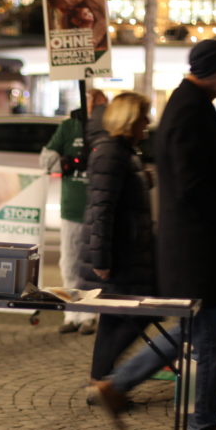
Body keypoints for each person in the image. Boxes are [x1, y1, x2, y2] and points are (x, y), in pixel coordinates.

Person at [94, 40, 216, 430]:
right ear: (211, 69)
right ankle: (202, 428)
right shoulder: (189, 111)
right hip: (200, 253)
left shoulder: (189, 107)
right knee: (213, 342)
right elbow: (191, 188)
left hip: (197, 251)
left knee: (192, 332)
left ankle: (117, 385)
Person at [75, 93, 157, 405]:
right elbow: (101, 209)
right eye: (144, 117)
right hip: (120, 254)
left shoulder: (122, 150)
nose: (148, 123)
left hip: (126, 249)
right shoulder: (112, 152)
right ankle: (106, 384)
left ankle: (99, 383)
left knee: (112, 318)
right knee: (145, 311)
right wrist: (101, 259)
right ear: (129, 120)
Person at [39, 89, 108, 335]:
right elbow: (46, 160)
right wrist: (70, 161)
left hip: (99, 209)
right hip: (73, 207)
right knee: (69, 263)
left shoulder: (108, 127)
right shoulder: (69, 127)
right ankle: (72, 312)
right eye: (95, 103)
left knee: (93, 267)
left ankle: (90, 314)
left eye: (102, 104)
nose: (99, 108)